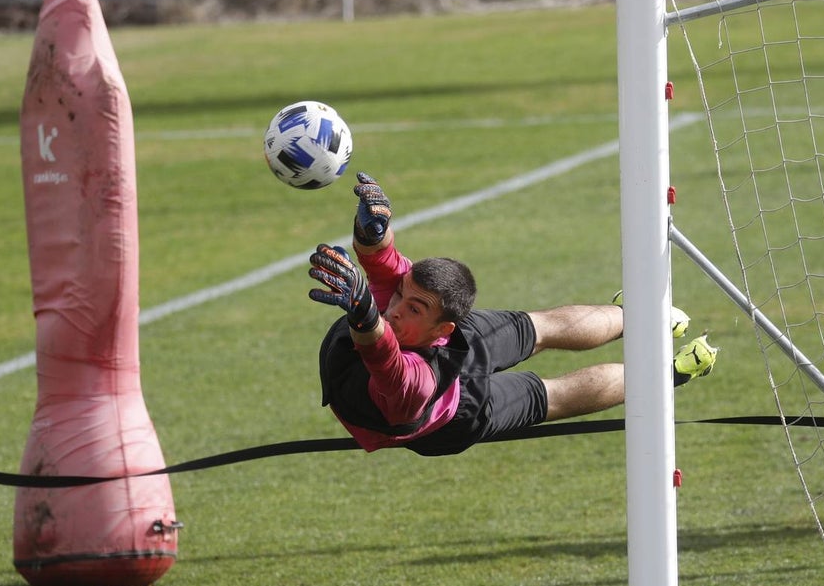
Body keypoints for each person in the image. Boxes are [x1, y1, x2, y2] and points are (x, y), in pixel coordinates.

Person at [307, 172, 718, 456]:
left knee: (543, 327)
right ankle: (668, 374)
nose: (392, 310)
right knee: (549, 393)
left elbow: (385, 352)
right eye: (398, 297)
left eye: (412, 306)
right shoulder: (410, 355)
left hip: (433, 359)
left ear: (446, 329)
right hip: (455, 415)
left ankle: (641, 315)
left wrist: (370, 254)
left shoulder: (409, 343)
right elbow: (387, 291)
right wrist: (373, 238)